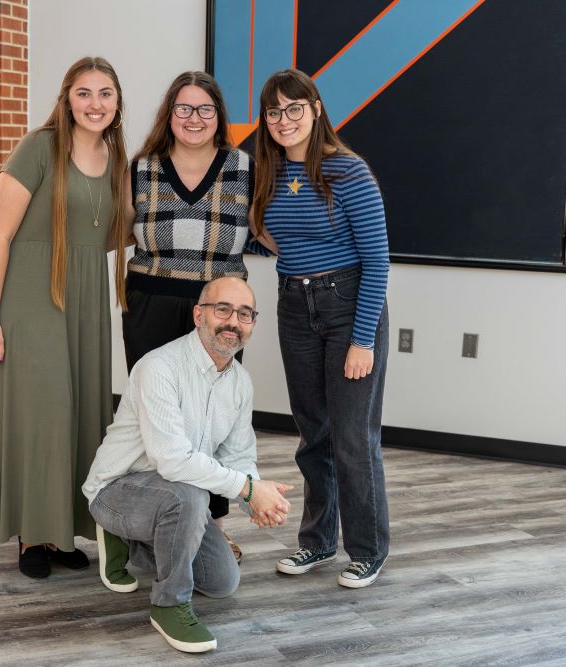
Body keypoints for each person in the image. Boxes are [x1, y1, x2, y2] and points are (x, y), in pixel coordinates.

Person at [0, 57, 130, 579]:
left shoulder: (117, 157)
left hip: (84, 298)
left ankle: (62, 530)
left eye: (105, 94)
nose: (95, 104)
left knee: (80, 412)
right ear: (66, 99)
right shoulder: (38, 147)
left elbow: (114, 233)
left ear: (116, 102)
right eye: (84, 93)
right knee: (43, 414)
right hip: (32, 296)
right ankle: (32, 535)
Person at [83, 277, 293, 653]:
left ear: (252, 325)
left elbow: (239, 456)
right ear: (199, 315)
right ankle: (169, 604)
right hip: (117, 490)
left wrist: (257, 500)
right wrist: (247, 489)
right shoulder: (159, 367)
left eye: (245, 314)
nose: (233, 321)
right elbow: (172, 460)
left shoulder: (240, 383)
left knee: (222, 581)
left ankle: (131, 545)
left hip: (175, 497)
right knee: (188, 495)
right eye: (222, 309)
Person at [250, 69, 391, 589]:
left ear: (315, 108)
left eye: (293, 109)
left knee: (353, 439)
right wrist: (296, 267)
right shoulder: (266, 172)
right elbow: (268, 232)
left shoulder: (348, 171)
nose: (283, 120)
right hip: (295, 305)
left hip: (349, 304)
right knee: (314, 435)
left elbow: (377, 261)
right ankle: (316, 542)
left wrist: (362, 339)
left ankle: (368, 549)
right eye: (273, 112)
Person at [120, 71, 267, 561]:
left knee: (212, 415)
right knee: (158, 416)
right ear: (169, 114)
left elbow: (269, 231)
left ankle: (211, 525)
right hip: (150, 300)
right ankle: (151, 520)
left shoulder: (244, 167)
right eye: (184, 108)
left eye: (205, 109)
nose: (194, 118)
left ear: (218, 117)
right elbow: (114, 229)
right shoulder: (141, 167)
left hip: (216, 304)